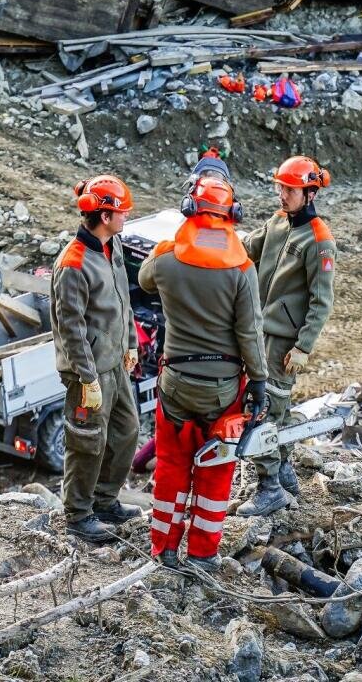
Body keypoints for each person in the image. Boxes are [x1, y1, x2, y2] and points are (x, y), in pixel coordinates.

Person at [138, 164, 267, 570]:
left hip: (175, 383)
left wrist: (172, 243)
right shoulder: (242, 269)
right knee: (215, 471)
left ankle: (164, 549)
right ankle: (203, 554)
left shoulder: (166, 259)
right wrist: (259, 380)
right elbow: (250, 332)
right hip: (223, 390)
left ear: (189, 208)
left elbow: (143, 281)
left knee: (172, 465)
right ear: (233, 214)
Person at [237, 156, 336, 517]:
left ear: (310, 193)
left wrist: (302, 347)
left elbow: (322, 301)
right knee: (277, 407)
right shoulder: (278, 222)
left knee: (264, 408)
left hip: (283, 343)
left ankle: (269, 488)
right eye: (280, 187)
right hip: (260, 331)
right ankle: (283, 473)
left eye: (290, 190)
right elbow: (246, 248)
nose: (282, 194)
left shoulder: (319, 241)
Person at [51, 174, 142, 545]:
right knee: (87, 441)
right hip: (87, 371)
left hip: (114, 362)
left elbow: (123, 299)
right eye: (122, 212)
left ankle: (104, 501)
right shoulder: (73, 265)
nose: (126, 217)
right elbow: (70, 329)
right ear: (104, 216)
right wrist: (86, 378)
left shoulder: (112, 245)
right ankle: (78, 515)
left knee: (126, 431)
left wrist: (130, 342)